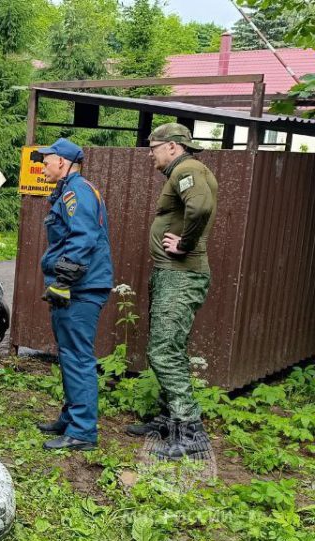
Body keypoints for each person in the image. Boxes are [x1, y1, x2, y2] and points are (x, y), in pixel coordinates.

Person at [126, 123, 218, 460]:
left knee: (164, 351)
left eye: (154, 147)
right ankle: (168, 418)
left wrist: (186, 243)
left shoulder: (188, 168)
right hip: (171, 275)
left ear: (173, 147)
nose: (151, 153)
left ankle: (189, 430)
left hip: (181, 276)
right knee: (169, 348)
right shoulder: (182, 170)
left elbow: (201, 208)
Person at [31, 138, 113, 452]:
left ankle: (82, 432)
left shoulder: (75, 191)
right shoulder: (70, 190)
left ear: (62, 162)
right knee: (68, 354)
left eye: (46, 160)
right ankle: (71, 418)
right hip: (76, 286)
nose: (42, 165)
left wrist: (64, 279)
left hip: (81, 287)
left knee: (77, 357)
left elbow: (83, 237)